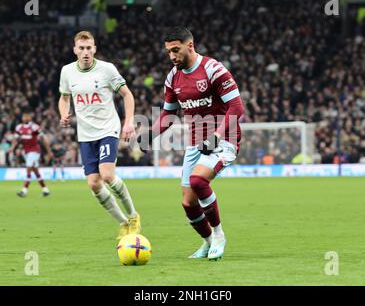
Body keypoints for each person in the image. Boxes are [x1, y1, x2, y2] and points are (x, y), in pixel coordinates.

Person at [139, 26, 245, 260]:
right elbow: (168, 115)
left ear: (190, 45)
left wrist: (215, 136)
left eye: (175, 50)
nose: (172, 56)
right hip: (196, 143)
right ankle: (207, 242)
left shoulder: (213, 70)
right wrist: (150, 133)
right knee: (188, 203)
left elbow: (237, 108)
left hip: (224, 138)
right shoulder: (172, 77)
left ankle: (219, 235)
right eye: (168, 52)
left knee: (198, 180)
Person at [58, 31, 141, 240]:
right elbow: (64, 98)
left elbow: (127, 94)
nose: (85, 52)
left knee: (107, 175)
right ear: (75, 50)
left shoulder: (107, 69)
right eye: (81, 48)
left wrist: (128, 121)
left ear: (94, 49)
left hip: (107, 129)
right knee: (94, 184)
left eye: (89, 48)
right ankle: (123, 222)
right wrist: (63, 113)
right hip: (85, 135)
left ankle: (133, 215)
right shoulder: (67, 72)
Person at [9, 110, 52, 197]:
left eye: (26, 116)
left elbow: (43, 139)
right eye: (23, 116)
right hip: (26, 152)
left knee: (28, 169)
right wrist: (12, 148)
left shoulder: (34, 127)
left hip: (35, 151)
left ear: (30, 118)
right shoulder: (19, 128)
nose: (25, 118)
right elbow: (16, 140)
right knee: (36, 171)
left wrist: (49, 151)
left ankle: (24, 191)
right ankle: (45, 190)